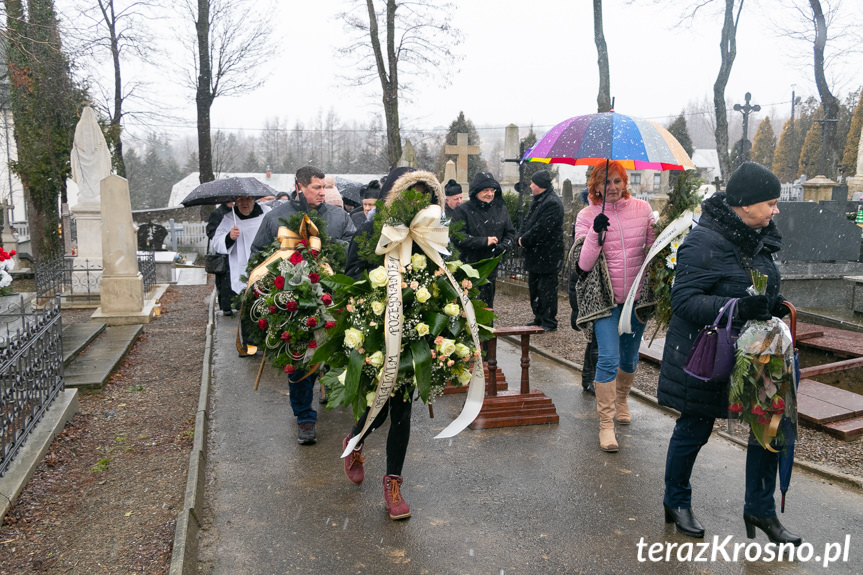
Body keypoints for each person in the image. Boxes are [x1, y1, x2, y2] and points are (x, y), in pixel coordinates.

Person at [658, 162, 800, 545]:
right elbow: (684, 301)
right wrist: (739, 307)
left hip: (756, 354)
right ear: (745, 203)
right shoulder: (704, 241)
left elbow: (755, 284)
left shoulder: (759, 237)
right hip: (712, 354)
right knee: (695, 428)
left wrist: (772, 303)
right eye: (771, 202)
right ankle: (676, 500)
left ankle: (760, 509)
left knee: (766, 429)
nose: (776, 210)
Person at [342, 166, 443, 520]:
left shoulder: (431, 230)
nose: (418, 202)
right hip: (377, 327)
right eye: (410, 194)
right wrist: (384, 286)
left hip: (415, 330)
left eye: (424, 195)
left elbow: (446, 270)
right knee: (379, 406)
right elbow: (352, 271)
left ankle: (393, 482)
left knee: (401, 409)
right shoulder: (373, 228)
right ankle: (355, 439)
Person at [250, 166, 357, 445]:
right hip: (294, 304)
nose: (323, 192)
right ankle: (305, 418)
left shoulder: (339, 217)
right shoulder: (276, 218)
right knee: (299, 358)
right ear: (299, 187)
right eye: (316, 187)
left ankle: (334, 395)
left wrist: (327, 250)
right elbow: (258, 256)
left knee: (337, 354)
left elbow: (353, 248)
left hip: (333, 299)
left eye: (324, 187)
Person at [575, 161, 656, 452]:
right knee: (608, 357)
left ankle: (622, 399)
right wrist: (596, 235)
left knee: (630, 358)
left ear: (625, 182)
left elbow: (652, 251)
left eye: (617, 181)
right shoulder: (587, 215)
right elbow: (583, 265)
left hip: (636, 300)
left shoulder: (643, 210)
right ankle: (606, 425)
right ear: (595, 186)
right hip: (605, 301)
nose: (612, 188)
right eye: (606, 182)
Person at [212, 196, 270, 353]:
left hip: (265, 263)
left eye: (248, 200)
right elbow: (216, 242)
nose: (244, 204)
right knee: (248, 308)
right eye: (240, 200)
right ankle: (250, 346)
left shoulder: (266, 213)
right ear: (236, 202)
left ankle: (267, 344)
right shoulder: (229, 218)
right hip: (242, 266)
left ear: (254, 200)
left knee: (267, 306)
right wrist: (229, 237)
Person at [451, 171, 514, 309]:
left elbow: (510, 233)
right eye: (486, 190)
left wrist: (503, 246)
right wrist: (483, 242)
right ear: (476, 191)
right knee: (466, 307)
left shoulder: (501, 209)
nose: (490, 194)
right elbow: (456, 236)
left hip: (490, 267)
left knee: (487, 306)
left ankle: (487, 329)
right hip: (468, 266)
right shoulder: (462, 210)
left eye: (492, 190)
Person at [517, 169, 564, 332]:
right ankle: (539, 317)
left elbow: (541, 228)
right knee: (535, 287)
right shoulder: (538, 200)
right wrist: (521, 236)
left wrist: (525, 240)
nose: (530, 186)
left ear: (540, 186)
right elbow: (528, 221)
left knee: (547, 289)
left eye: (533, 183)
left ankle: (548, 320)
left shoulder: (552, 203)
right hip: (536, 254)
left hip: (547, 254)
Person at [206, 202, 234, 316]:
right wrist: (225, 235)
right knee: (224, 282)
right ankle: (226, 305)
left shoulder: (236, 212)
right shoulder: (218, 213)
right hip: (223, 254)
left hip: (235, 252)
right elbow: (211, 232)